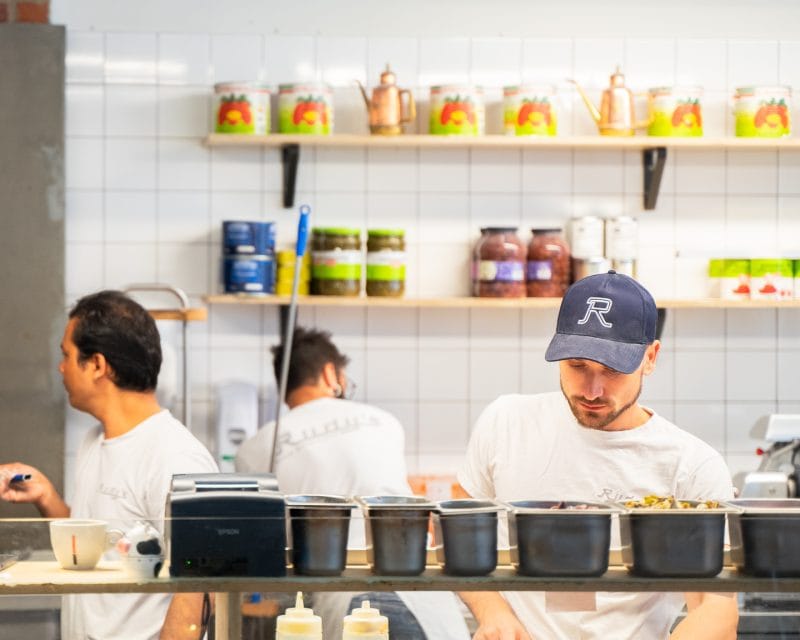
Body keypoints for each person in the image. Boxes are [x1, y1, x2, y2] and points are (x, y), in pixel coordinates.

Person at [457, 271, 738, 640]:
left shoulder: (691, 465)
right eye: (577, 366)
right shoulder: (505, 421)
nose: (592, 389)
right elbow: (457, 532)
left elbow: (717, 607)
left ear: (650, 358)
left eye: (612, 371)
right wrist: (492, 612)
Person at [0, 290, 218, 640]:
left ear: (97, 365)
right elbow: (100, 549)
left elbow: (199, 588)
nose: (60, 367)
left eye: (66, 356)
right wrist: (47, 497)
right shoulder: (94, 441)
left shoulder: (175, 456)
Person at [236, 326, 470, 640]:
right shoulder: (383, 421)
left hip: (343, 600)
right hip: (419, 588)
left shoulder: (257, 447)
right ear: (331, 375)